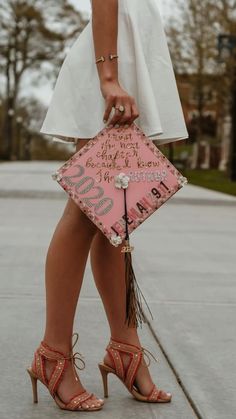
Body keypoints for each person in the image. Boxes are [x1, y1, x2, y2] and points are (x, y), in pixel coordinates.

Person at [27, 0, 188, 412]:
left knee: (114, 217)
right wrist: (110, 76)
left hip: (130, 49)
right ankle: (53, 355)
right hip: (112, 55)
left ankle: (125, 348)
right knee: (86, 210)